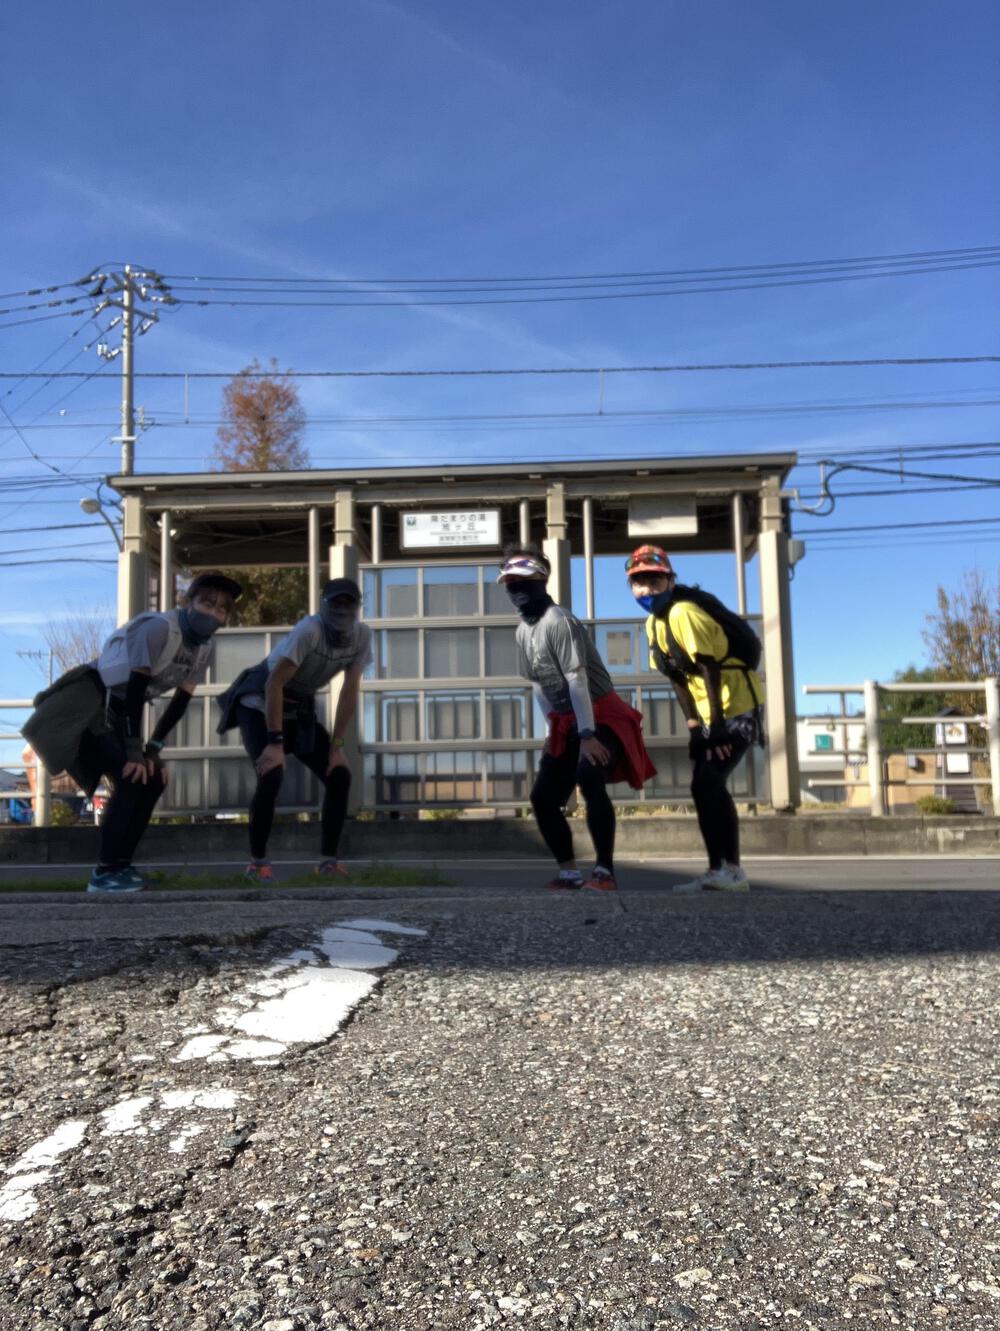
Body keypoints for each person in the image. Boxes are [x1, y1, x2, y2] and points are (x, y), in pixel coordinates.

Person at [22, 570, 242, 893]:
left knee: (152, 777)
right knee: (131, 774)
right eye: (206, 603)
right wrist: (134, 751)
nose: (213, 613)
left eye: (222, 609)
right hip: (88, 705)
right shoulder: (157, 629)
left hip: (119, 712)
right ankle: (105, 872)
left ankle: (121, 867)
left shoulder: (204, 650)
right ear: (187, 601)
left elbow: (180, 702)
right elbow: (137, 690)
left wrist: (152, 750)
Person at [501, 544, 656, 892]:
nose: (517, 588)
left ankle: (604, 871)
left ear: (543, 580)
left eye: (525, 580)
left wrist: (587, 734)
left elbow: (577, 678)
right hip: (565, 720)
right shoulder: (523, 632)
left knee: (589, 775)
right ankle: (569, 871)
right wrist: (551, 733)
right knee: (543, 797)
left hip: (600, 714)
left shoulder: (559, 621)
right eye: (510, 582)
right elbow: (539, 685)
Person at [626, 544, 764, 892]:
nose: (646, 589)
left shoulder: (682, 612)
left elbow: (709, 665)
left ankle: (732, 871)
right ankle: (719, 870)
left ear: (670, 581)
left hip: (737, 706)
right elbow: (677, 678)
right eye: (638, 582)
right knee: (704, 786)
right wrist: (695, 729)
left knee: (708, 782)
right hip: (709, 715)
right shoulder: (653, 623)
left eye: (654, 581)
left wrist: (716, 726)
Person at [217, 577, 372, 882]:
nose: (341, 610)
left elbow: (349, 690)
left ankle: (328, 862)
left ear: (356, 608)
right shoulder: (310, 631)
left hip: (298, 704)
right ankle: (257, 863)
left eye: (348, 604)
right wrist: (275, 744)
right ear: (324, 605)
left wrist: (336, 747)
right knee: (271, 772)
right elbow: (274, 682)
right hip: (260, 699)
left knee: (339, 774)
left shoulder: (362, 636)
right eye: (335, 603)